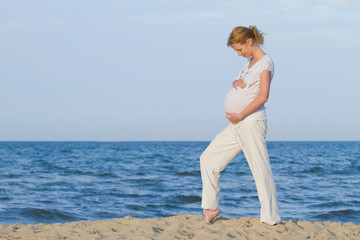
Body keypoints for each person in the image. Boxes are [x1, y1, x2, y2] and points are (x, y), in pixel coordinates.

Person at [200, 25, 281, 225]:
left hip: (251, 122)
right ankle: (210, 208)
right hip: (238, 124)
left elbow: (263, 96)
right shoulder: (248, 63)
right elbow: (243, 85)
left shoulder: (265, 63)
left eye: (239, 49)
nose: (239, 54)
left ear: (249, 41)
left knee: (260, 169)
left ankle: (270, 218)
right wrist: (235, 82)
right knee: (208, 158)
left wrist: (240, 115)